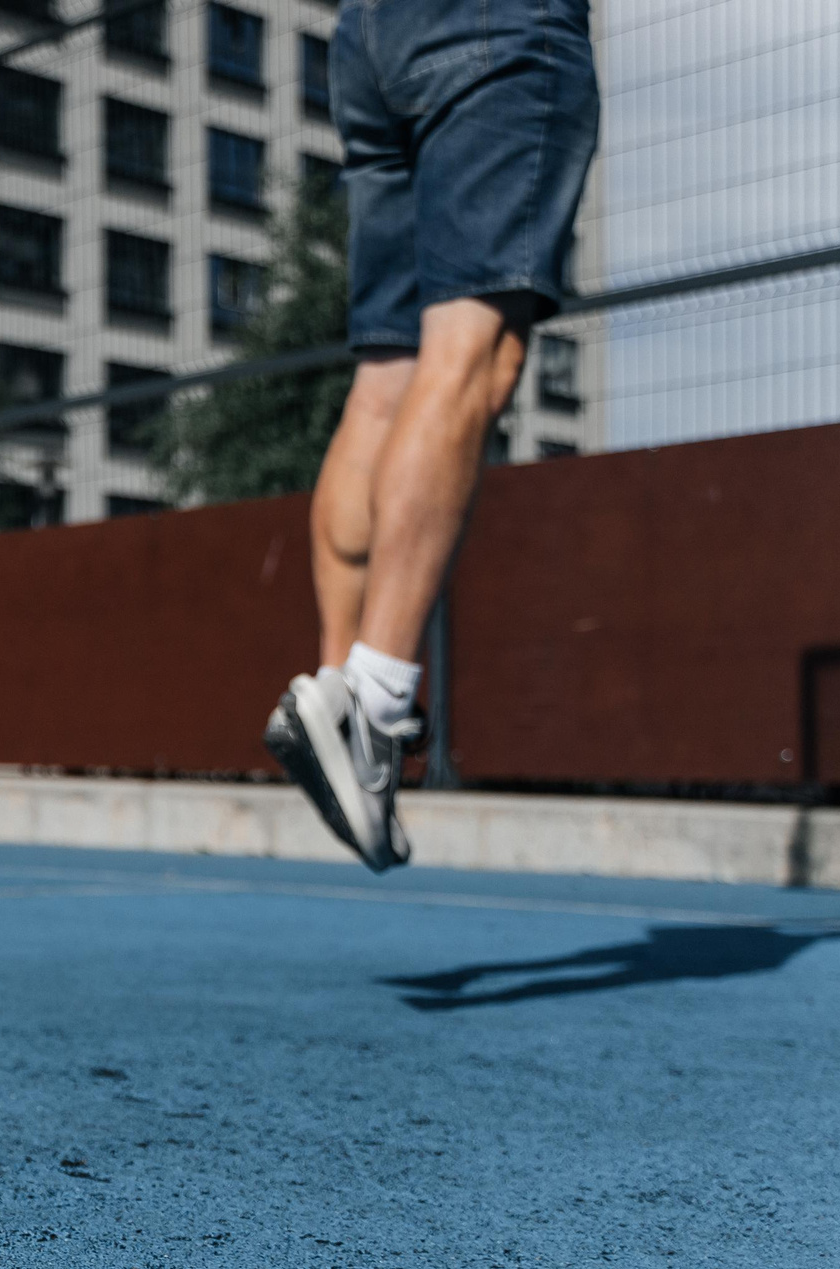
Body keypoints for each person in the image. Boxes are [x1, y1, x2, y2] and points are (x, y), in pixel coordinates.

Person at [265, 0, 600, 871]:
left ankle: (338, 691)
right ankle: (372, 707)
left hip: (372, 35)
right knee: (474, 352)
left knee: (387, 377)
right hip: (498, 22)